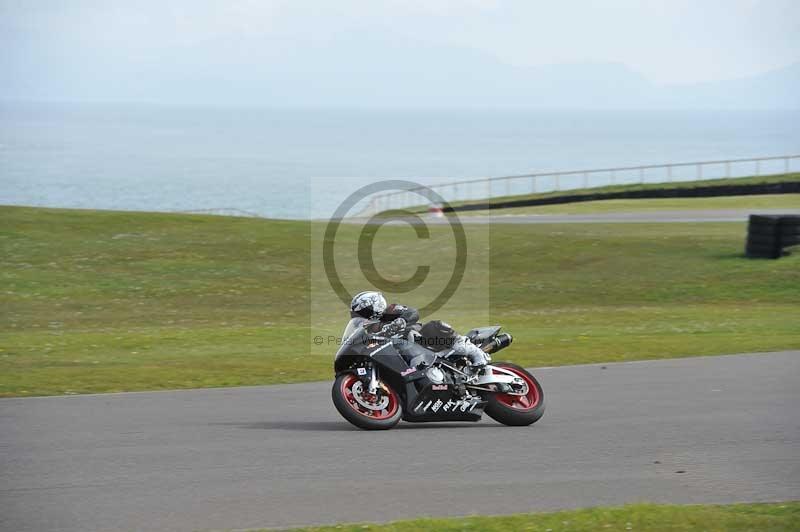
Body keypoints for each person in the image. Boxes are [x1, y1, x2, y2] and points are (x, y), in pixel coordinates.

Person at [349, 290, 490, 371]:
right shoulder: (367, 329)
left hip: (424, 344)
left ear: (373, 306)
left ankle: (474, 352)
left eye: (363, 312)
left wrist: (400, 322)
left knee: (433, 326)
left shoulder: (390, 310)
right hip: (402, 358)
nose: (360, 316)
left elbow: (412, 312)